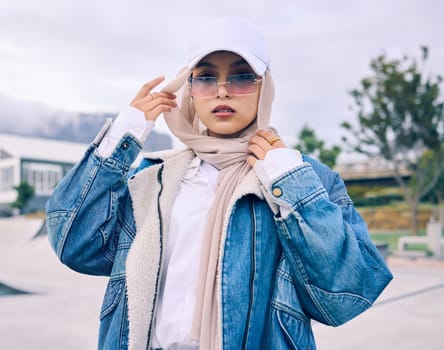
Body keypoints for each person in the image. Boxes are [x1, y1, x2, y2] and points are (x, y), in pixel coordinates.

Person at [46, 16, 393, 350]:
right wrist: (124, 136)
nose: (222, 91)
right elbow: (74, 244)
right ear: (190, 90)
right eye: (206, 78)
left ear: (264, 88)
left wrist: (292, 183)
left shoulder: (303, 179)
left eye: (242, 77)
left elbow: (348, 292)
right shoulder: (152, 180)